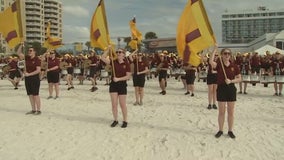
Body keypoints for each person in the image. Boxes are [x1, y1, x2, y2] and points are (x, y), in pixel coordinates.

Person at [209, 46, 242, 139]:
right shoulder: (219, 64)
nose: (227, 55)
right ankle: (220, 130)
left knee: (231, 112)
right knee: (221, 112)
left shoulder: (234, 66)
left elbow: (240, 78)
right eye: (225, 53)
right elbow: (211, 62)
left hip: (231, 89)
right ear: (222, 55)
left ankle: (230, 130)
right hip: (221, 89)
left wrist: (231, 81)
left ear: (230, 55)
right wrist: (214, 49)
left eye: (228, 53)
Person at [101, 46, 131, 128]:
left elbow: (128, 76)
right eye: (117, 52)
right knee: (114, 104)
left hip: (122, 85)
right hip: (113, 85)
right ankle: (115, 120)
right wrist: (108, 49)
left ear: (124, 55)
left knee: (122, 104)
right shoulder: (113, 62)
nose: (118, 53)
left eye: (120, 52)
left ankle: (125, 121)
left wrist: (119, 79)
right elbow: (103, 58)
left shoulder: (126, 64)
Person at [17, 44, 42, 115]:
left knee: (35, 94)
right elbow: (18, 53)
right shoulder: (27, 58)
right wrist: (21, 45)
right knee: (30, 95)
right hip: (27, 79)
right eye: (28, 50)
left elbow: (38, 70)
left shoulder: (37, 59)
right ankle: (33, 109)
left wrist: (29, 74)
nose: (29, 52)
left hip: (34, 78)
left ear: (34, 52)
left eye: (31, 51)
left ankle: (39, 110)